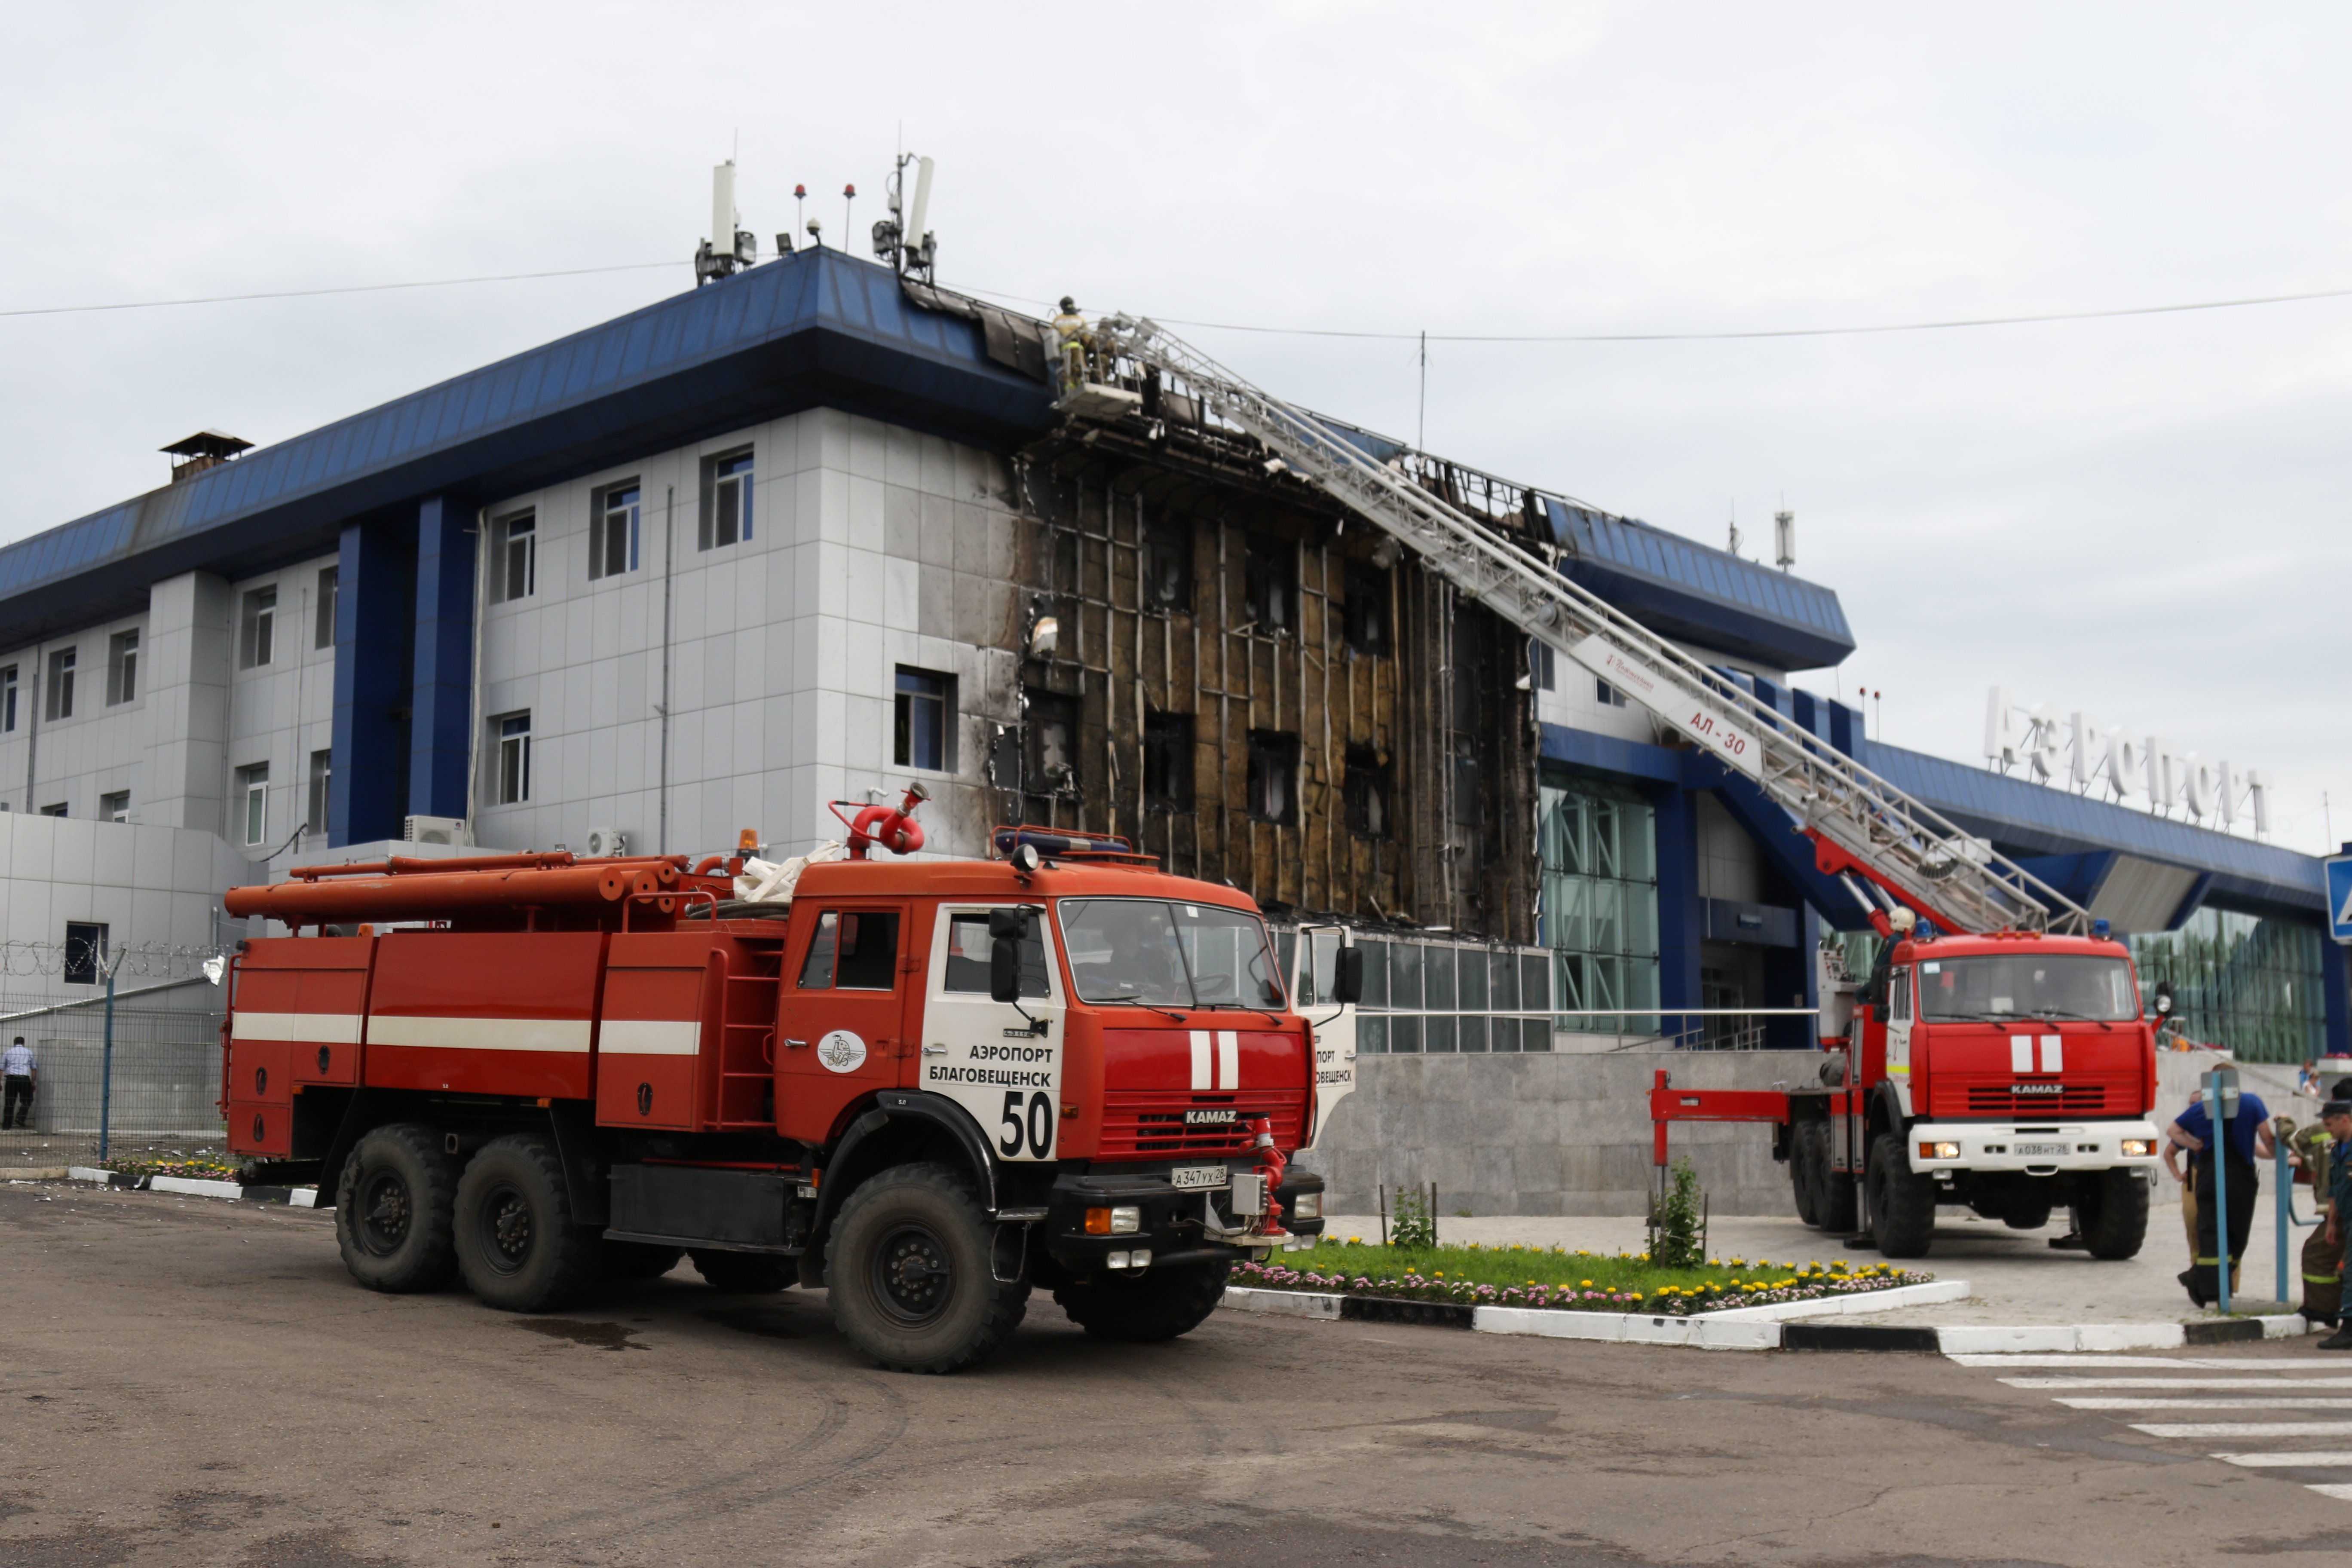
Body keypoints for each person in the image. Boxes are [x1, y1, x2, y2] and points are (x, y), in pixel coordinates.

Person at [2166, 1081, 2276, 1307]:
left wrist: (2195, 1145)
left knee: (2211, 1233)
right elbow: (2268, 1140)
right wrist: (2283, 1154)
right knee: (2236, 1236)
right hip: (2239, 1178)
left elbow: (2173, 1131)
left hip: (2208, 1176)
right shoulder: (2252, 1102)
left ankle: (2203, 1282)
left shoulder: (2201, 1109)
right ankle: (2207, 1284)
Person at [2318, 1098, 2352, 1351]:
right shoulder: (2338, 1148)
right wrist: (2331, 1223)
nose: (2326, 1128)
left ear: (2345, 1120)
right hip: (2347, 1219)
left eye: (2330, 1123)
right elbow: (2335, 1188)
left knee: (2350, 1274)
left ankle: (2349, 1330)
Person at [1, 1035, 34, 1130]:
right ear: (23, 1043)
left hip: (11, 1079)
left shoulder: (8, 1053)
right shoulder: (29, 1053)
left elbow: (1, 1069)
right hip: (24, 1079)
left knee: (9, 1103)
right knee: (28, 1099)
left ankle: (7, 1127)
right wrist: (33, 1083)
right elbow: (34, 1069)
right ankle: (21, 1117)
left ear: (14, 1043)